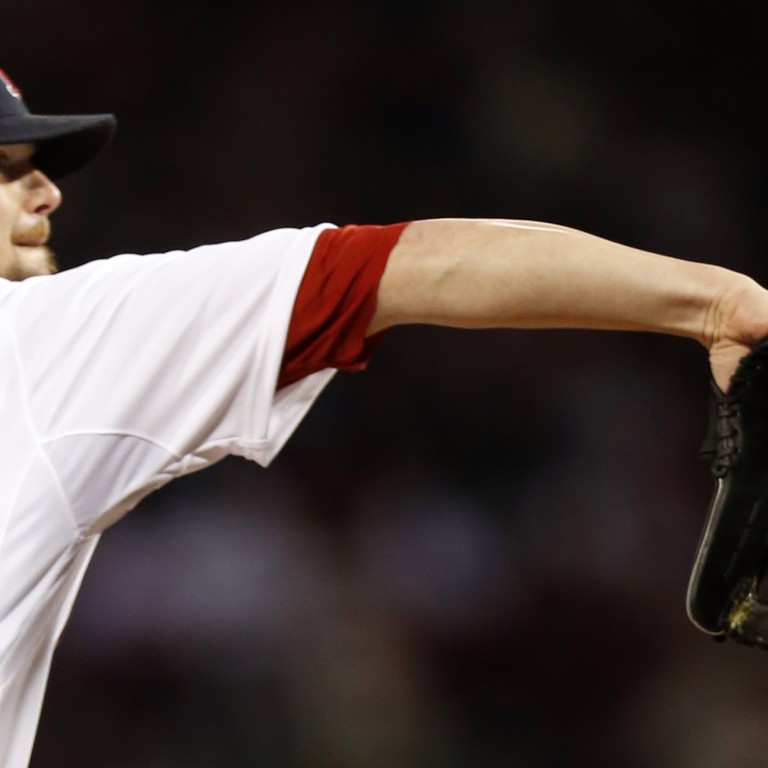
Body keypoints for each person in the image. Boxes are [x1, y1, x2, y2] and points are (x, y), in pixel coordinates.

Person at [0, 66, 766, 768]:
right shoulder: (36, 344)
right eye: (7, 168)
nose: (46, 193)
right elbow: (405, 269)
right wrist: (716, 304)